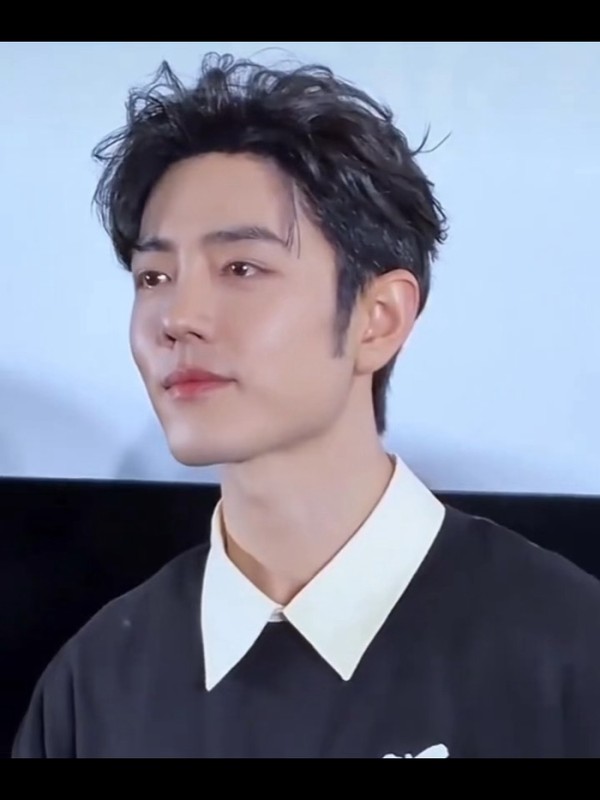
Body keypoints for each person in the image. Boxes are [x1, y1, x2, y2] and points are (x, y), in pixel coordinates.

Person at [12, 52, 600, 759]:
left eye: (241, 268)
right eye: (154, 276)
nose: (178, 317)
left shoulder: (566, 654)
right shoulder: (98, 683)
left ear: (379, 318)